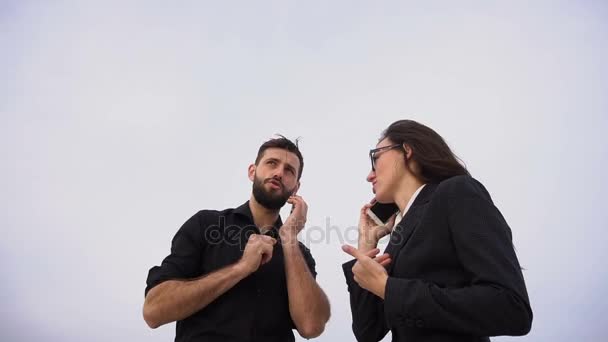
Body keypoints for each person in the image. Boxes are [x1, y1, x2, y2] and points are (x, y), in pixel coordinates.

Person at [342, 120, 532, 341]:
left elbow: (510, 307)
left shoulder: (457, 191)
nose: (369, 175)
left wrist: (388, 288)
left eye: (376, 158)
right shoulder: (397, 238)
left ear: (407, 150)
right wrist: (366, 247)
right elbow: (368, 333)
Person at [143, 136, 330, 342]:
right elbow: (154, 311)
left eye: (289, 171)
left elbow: (311, 326)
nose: (279, 173)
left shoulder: (299, 254)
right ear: (252, 171)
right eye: (272, 163)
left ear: (295, 188)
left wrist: (290, 239)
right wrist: (240, 269)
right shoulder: (207, 224)